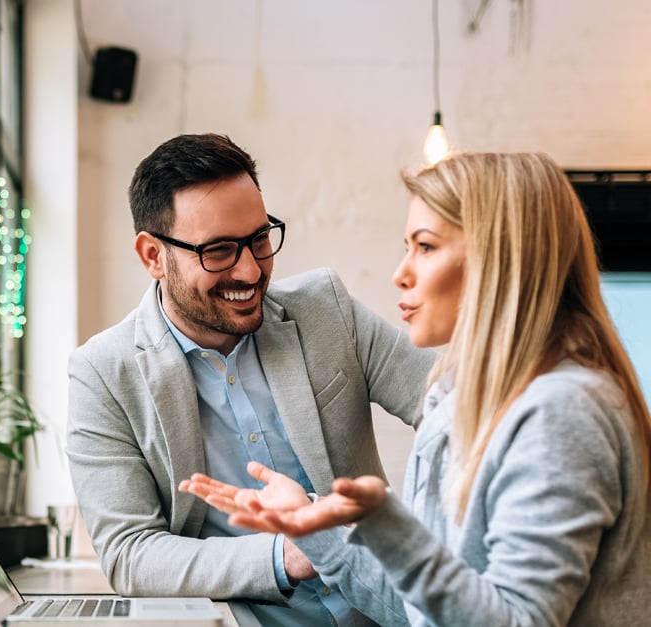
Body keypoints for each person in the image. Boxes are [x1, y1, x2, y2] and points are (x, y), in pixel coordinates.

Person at [181, 152, 651, 626]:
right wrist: (314, 527)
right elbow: (418, 612)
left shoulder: (559, 414)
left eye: (425, 247)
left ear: (501, 259)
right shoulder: (457, 398)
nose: (400, 273)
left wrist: (392, 527)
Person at [65, 133, 437, 627]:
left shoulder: (326, 310)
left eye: (259, 239)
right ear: (153, 255)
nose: (249, 270)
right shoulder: (102, 374)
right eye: (218, 251)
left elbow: (458, 409)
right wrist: (291, 552)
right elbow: (131, 554)